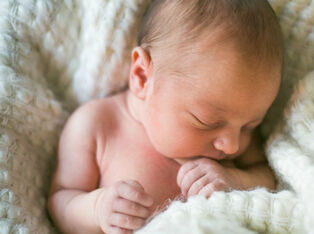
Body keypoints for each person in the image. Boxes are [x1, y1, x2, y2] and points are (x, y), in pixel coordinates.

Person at [47, 0, 283, 233]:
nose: (232, 146)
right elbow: (61, 201)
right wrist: (97, 209)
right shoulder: (96, 125)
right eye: (207, 121)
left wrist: (236, 181)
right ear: (142, 76)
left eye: (251, 125)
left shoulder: (235, 134)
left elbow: (268, 179)